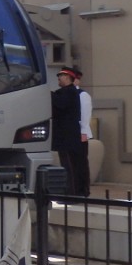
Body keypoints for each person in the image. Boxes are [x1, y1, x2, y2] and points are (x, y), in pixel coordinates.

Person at [50, 67, 83, 195]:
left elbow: (61, 104)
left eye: (61, 76)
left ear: (68, 78)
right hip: (65, 137)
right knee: (67, 164)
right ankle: (69, 191)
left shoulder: (69, 92)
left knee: (69, 165)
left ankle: (71, 192)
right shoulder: (66, 92)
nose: (58, 78)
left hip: (67, 137)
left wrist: (49, 94)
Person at [73, 67, 93, 197]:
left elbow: (85, 116)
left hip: (80, 133)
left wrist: (83, 133)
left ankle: (83, 189)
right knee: (73, 164)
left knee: (81, 163)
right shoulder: (68, 94)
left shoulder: (82, 95)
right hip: (70, 134)